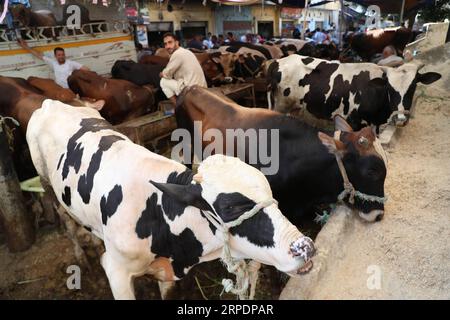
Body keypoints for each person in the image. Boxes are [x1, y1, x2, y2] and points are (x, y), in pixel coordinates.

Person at [18, 39, 89, 88]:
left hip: (71, 89)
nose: (61, 56)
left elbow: (86, 69)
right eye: (59, 55)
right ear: (55, 56)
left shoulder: (71, 63)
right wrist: (25, 47)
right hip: (60, 90)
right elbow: (39, 55)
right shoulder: (53, 62)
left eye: (62, 54)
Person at [159, 33, 207, 105]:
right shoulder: (186, 51)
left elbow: (167, 74)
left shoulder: (177, 54)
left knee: (163, 81)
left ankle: (178, 107)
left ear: (177, 42)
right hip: (202, 88)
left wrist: (161, 74)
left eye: (170, 42)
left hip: (192, 90)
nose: (167, 46)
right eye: (165, 44)